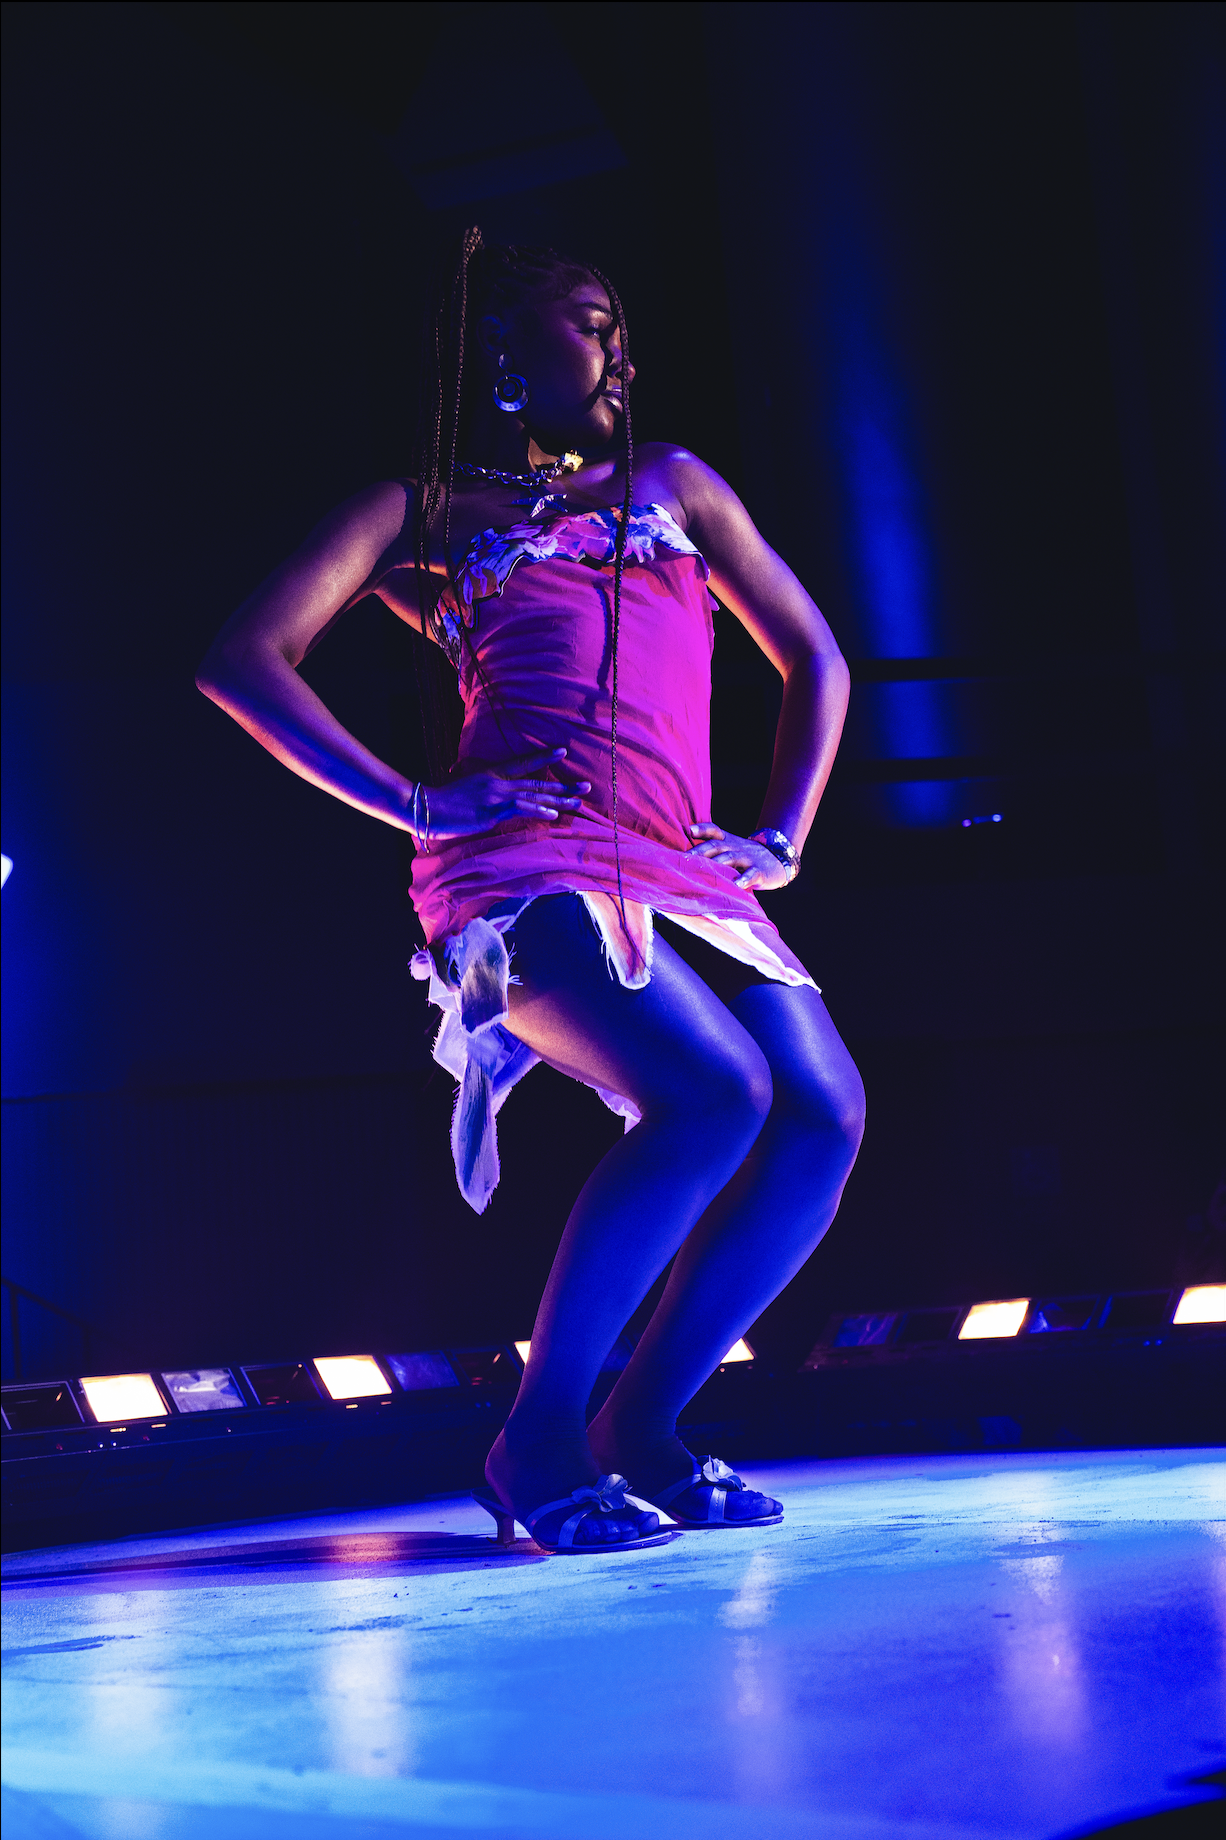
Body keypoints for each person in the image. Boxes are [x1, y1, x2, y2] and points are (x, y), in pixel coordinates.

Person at [197, 230, 865, 1554]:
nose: (622, 348)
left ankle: (643, 1430)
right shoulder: (424, 517)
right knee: (711, 1090)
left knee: (820, 1116)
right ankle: (537, 1439)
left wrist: (781, 828)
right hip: (515, 866)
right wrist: (420, 800)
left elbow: (814, 657)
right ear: (497, 356)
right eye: (590, 321)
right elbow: (243, 659)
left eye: (623, 324)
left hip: (676, 858)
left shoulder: (675, 486)